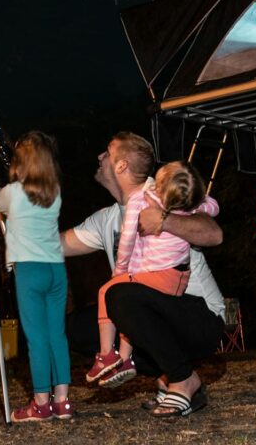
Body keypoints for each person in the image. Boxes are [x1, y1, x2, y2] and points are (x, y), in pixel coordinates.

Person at [61, 131, 225, 417]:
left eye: (107, 153)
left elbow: (213, 233)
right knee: (78, 327)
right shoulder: (107, 218)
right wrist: (22, 231)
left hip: (199, 317)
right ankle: (162, 372)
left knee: (119, 294)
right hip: (147, 307)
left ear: (122, 165)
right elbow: (57, 244)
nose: (99, 157)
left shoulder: (161, 192)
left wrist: (164, 219)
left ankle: (184, 379)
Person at [88, 160, 220, 387]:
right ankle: (130, 360)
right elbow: (213, 206)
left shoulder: (143, 200)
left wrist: (119, 271)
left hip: (189, 306)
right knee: (101, 315)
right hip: (172, 280)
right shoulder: (186, 201)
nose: (100, 157)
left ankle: (112, 355)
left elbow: (128, 240)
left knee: (111, 292)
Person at [0, 131, 72, 423]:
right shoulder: (55, 191)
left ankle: (41, 404)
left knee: (36, 339)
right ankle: (62, 402)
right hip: (56, 271)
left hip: (30, 271)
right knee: (56, 335)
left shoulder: (12, 192)